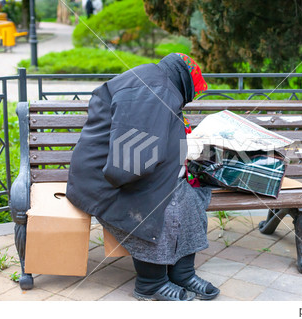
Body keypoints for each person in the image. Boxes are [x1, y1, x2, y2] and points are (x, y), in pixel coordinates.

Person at [66, 53, 219, 301]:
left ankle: (183, 273)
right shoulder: (155, 91)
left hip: (123, 173)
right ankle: (151, 283)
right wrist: (163, 182)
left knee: (190, 198)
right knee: (163, 209)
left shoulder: (160, 83)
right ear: (186, 83)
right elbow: (127, 166)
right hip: (105, 181)